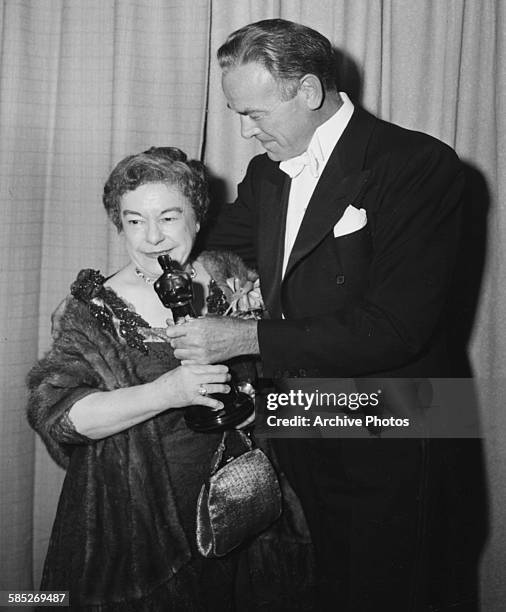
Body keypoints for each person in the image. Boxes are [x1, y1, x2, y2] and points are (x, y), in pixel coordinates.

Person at [166, 19, 469, 612]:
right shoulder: (267, 171)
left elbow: (396, 329)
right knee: (326, 580)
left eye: (255, 114)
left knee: (394, 589)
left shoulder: (419, 163)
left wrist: (241, 336)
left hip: (397, 414)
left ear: (308, 91)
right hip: (301, 412)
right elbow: (214, 247)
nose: (248, 133)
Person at [27, 147, 314, 611]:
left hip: (242, 504)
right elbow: (57, 414)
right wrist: (168, 391)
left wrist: (256, 401)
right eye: (135, 220)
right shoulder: (93, 308)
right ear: (119, 224)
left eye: (168, 217)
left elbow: (277, 376)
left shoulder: (228, 276)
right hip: (139, 521)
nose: (152, 237)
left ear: (197, 219)